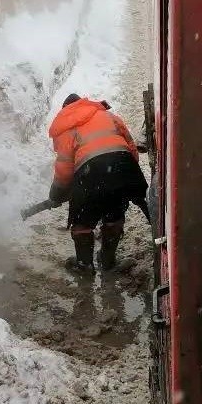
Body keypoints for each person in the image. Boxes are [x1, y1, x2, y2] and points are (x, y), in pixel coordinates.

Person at [48, 93, 149, 273]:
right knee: (114, 213)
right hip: (122, 165)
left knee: (82, 221)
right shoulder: (109, 116)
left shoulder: (66, 128)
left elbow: (64, 168)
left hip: (90, 173)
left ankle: (85, 265)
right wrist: (124, 178)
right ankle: (108, 261)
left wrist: (57, 194)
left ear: (66, 111)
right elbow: (132, 148)